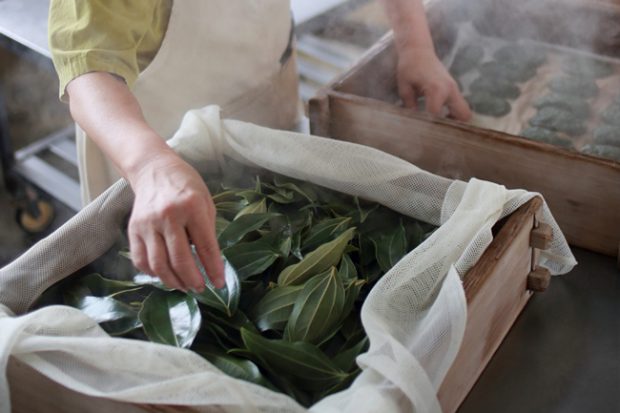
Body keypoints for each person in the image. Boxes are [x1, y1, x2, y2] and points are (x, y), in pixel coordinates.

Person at [48, 0, 471, 294]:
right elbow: (89, 69)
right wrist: (150, 167)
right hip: (154, 143)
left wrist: (414, 45)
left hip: (266, 92)